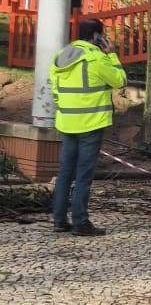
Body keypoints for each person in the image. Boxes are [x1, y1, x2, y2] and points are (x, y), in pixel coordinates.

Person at [49, 18, 127, 236]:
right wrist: (111, 54)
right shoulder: (96, 58)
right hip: (91, 124)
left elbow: (56, 91)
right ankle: (81, 222)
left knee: (65, 173)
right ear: (97, 36)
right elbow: (120, 80)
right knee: (84, 174)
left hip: (66, 122)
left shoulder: (60, 56)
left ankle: (59, 220)